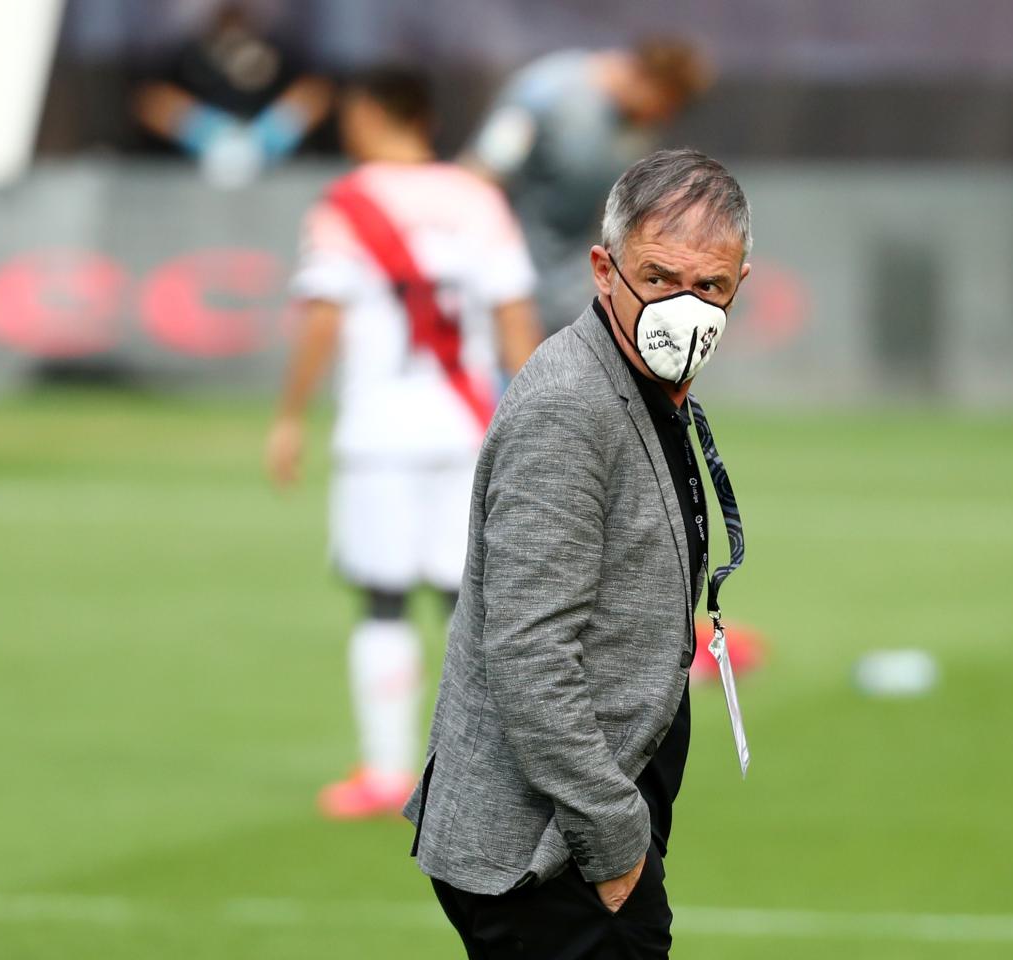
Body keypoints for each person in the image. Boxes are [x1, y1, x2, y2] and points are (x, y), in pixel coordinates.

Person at [407, 149, 753, 958]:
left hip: (575, 831)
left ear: (741, 282)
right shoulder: (571, 405)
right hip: (547, 852)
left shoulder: (642, 387)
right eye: (660, 277)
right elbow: (530, 650)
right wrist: (614, 842)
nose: (686, 307)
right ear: (605, 269)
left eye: (711, 288)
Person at [265, 66, 543, 820]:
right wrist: (541, 415)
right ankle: (487, 771)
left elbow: (325, 315)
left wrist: (289, 414)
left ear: (372, 114)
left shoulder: (347, 204)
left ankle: (388, 772)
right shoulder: (477, 198)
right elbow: (515, 317)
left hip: (381, 431)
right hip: (467, 427)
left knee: (384, 601)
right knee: (470, 602)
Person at [464, 39, 713, 329]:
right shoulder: (545, 94)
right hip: (508, 301)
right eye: (666, 105)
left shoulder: (637, 128)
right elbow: (480, 176)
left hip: (570, 305)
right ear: (645, 79)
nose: (664, 118)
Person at [133, 2, 332, 188]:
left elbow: (317, 92)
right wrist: (202, 131)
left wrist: (270, 133)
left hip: (274, 177)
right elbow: (150, 100)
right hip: (195, 178)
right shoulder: (187, 53)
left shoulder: (280, 49)